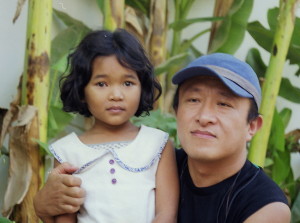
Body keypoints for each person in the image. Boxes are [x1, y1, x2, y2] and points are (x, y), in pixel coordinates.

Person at [34, 53, 291, 223]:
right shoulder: (153, 161)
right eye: (193, 100)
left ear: (252, 126)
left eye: (224, 104)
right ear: (176, 112)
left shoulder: (265, 208)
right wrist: (45, 206)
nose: (205, 116)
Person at [39, 28, 179, 223]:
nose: (116, 95)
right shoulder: (67, 152)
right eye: (102, 84)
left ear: (142, 87)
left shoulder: (158, 144)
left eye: (128, 83)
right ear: (81, 91)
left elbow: (166, 214)